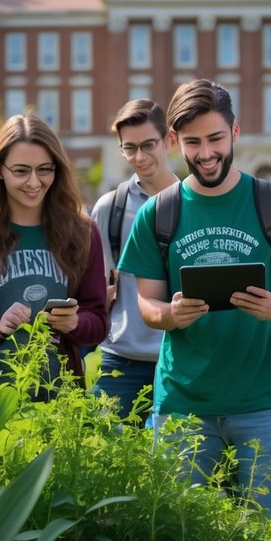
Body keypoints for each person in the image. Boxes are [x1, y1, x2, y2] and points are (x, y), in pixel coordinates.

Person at [117, 79, 271, 516]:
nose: (206, 153)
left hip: (259, 404)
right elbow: (147, 305)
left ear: (235, 132)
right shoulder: (158, 214)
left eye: (215, 138)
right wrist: (171, 314)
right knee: (183, 540)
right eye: (193, 142)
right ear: (174, 141)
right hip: (182, 408)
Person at [0, 115, 108, 399]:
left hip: (62, 404)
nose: (34, 182)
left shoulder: (83, 233)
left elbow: (99, 321)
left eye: (45, 170)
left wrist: (76, 323)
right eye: (21, 171)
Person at [89, 99, 179, 419]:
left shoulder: (193, 203)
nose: (139, 157)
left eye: (148, 145)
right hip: (121, 363)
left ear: (169, 141)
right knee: (104, 447)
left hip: (182, 360)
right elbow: (98, 285)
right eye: (130, 148)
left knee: (182, 451)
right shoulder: (109, 208)